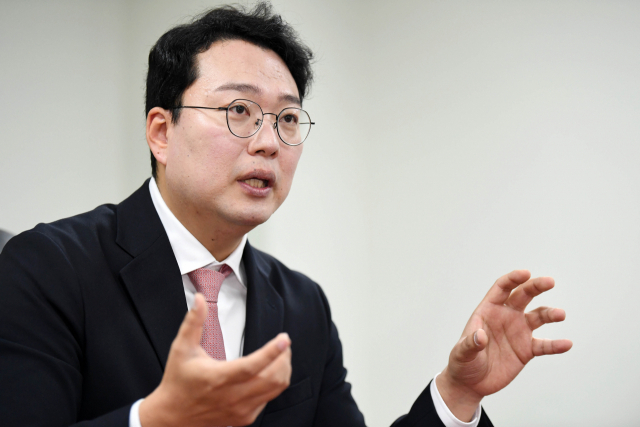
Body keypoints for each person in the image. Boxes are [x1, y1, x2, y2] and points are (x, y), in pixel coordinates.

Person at [0, 3, 572, 427]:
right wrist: (155, 420)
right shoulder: (46, 267)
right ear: (161, 132)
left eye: (288, 119)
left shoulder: (303, 305)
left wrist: (456, 394)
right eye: (239, 110)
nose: (269, 142)